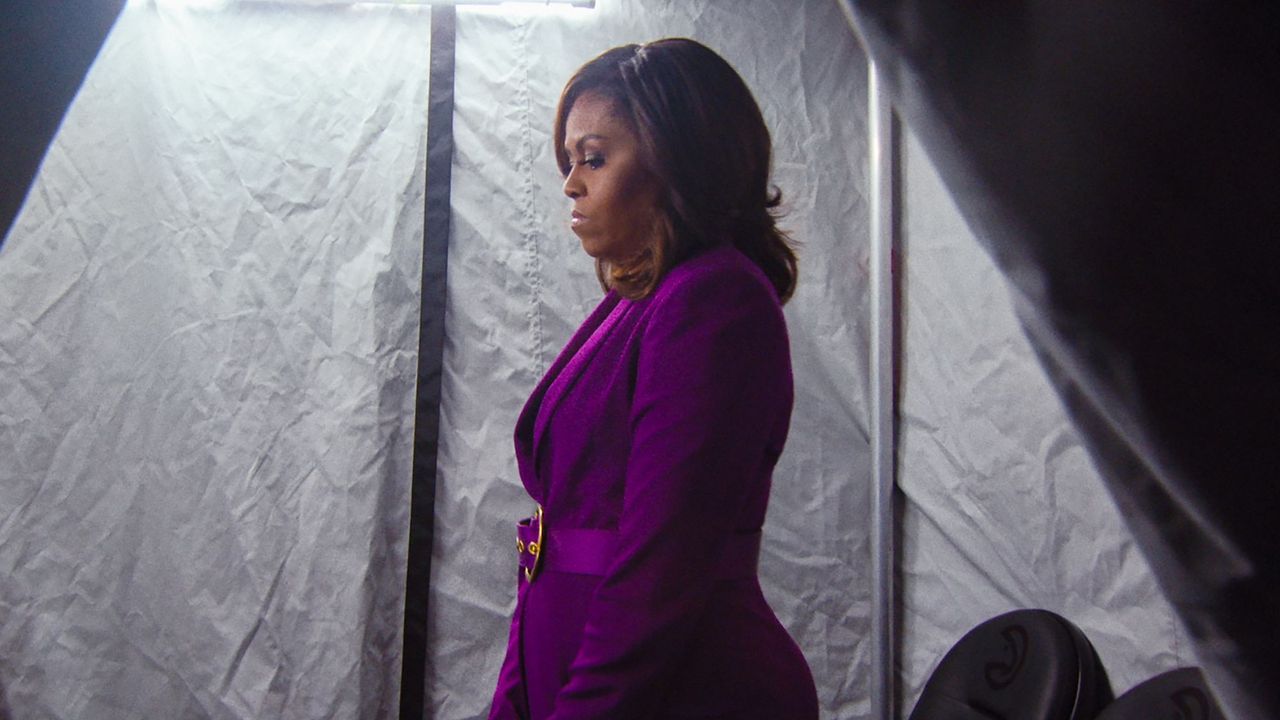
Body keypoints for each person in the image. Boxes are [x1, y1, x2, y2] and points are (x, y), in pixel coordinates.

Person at [488, 38, 819, 720]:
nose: (571, 183)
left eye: (595, 158)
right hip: (582, 670)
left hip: (680, 690)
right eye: (570, 160)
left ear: (678, 164)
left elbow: (658, 573)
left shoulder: (714, 302)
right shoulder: (642, 302)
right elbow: (558, 544)